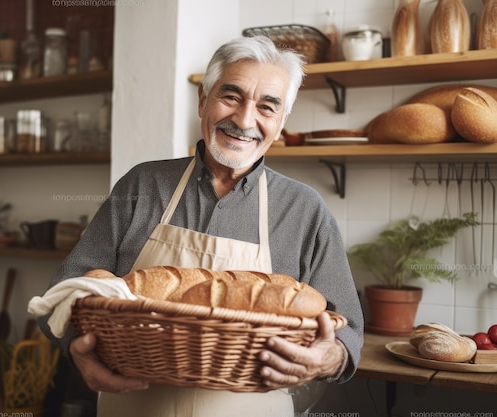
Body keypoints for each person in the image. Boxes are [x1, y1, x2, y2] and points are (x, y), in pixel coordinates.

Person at [38, 35, 364, 417]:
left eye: (267, 106)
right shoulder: (142, 186)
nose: (245, 120)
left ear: (281, 122)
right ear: (202, 99)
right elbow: (66, 293)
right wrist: (80, 350)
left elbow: (349, 329)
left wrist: (329, 358)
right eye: (231, 97)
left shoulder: (304, 209)